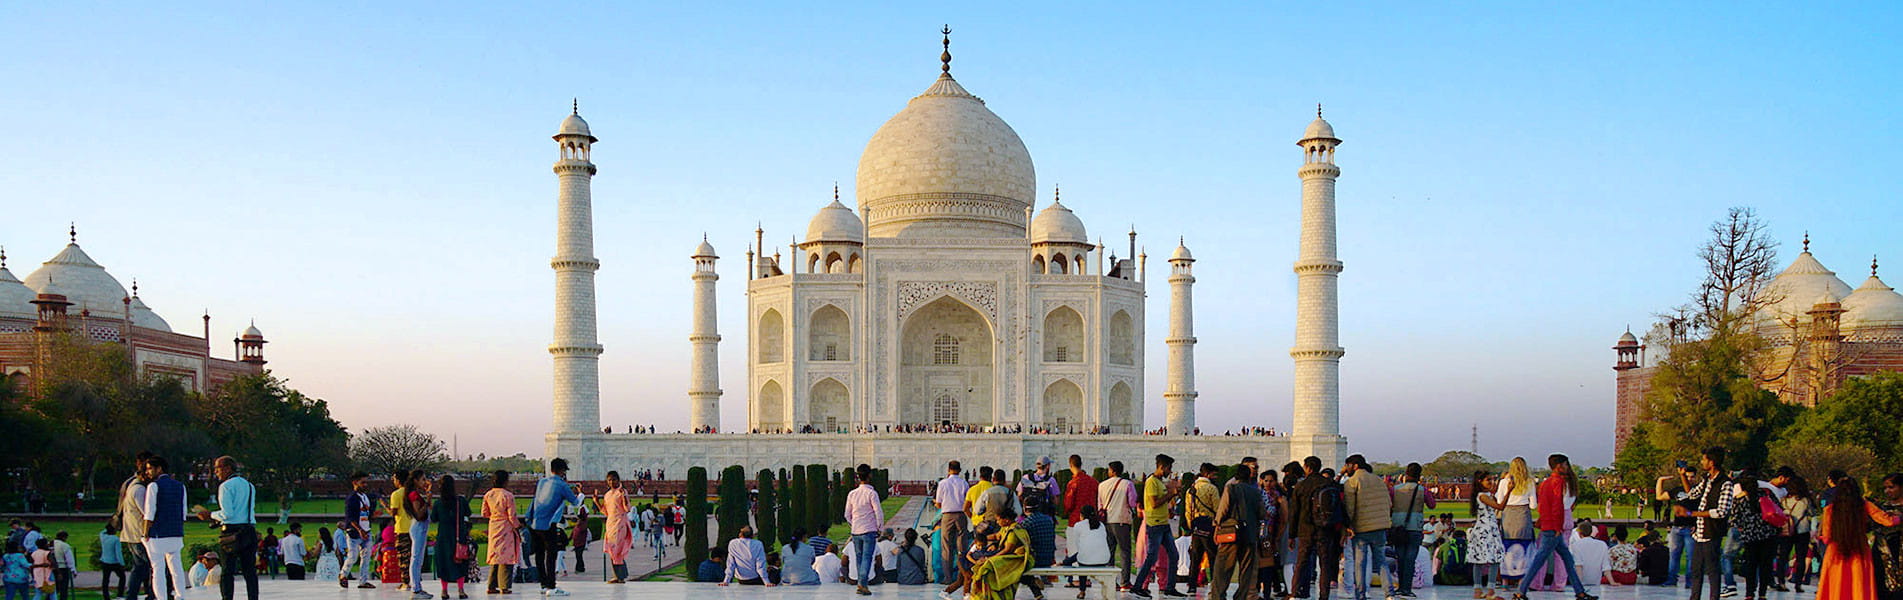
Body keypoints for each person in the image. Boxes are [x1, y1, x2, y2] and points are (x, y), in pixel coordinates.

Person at [1511, 453, 1595, 600]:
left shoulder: (1545, 483)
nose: (1567, 468)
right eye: (1565, 465)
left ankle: (1579, 592)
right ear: (1559, 466)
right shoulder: (1559, 482)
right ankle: (1521, 591)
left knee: (1565, 559)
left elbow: (1542, 506)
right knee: (1542, 560)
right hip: (1554, 527)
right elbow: (1557, 506)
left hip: (1548, 525)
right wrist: (1557, 527)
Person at [1816, 476, 1900, 600]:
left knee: (1836, 582)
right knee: (1858, 582)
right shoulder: (1864, 505)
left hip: (1836, 551)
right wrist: (1899, 517)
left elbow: (1827, 536)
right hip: (1858, 548)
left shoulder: (1830, 509)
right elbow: (1888, 521)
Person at [1677, 447, 1735, 600]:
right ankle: (1694, 596)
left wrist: (1691, 514)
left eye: (1704, 459)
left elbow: (1721, 511)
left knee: (1712, 570)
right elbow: (1692, 494)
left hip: (1712, 532)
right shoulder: (1706, 480)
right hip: (1700, 533)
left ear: (1712, 462)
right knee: (1696, 569)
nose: (1702, 462)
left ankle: (1713, 597)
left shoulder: (1726, 483)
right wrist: (1683, 476)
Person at [1290, 456, 1344, 600]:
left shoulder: (1301, 486)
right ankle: (1324, 595)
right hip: (1325, 529)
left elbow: (1294, 512)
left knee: (1301, 563)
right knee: (1325, 564)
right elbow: (1340, 507)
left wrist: (1291, 535)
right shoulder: (1329, 484)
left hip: (1305, 529)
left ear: (1307, 467)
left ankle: (1294, 593)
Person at [1131, 454, 1184, 598]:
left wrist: (1173, 494)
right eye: (1169, 468)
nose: (1170, 471)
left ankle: (1169, 587)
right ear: (1162, 467)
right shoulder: (1151, 482)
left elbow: (1164, 500)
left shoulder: (1160, 482)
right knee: (1151, 558)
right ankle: (1137, 586)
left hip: (1163, 524)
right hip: (1154, 525)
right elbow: (1154, 503)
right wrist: (1171, 493)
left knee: (1173, 555)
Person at [1209, 463, 1264, 600]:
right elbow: (1262, 513)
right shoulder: (1256, 492)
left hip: (1231, 533)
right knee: (1246, 571)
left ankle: (1218, 595)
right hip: (1250, 535)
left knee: (1223, 569)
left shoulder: (1231, 488)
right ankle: (1241, 596)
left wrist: (1216, 526)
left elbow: (1223, 510)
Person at [1342, 454, 1393, 600]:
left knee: (1360, 564)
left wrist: (1349, 525)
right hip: (1380, 527)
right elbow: (1388, 503)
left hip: (1362, 528)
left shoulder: (1352, 482)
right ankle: (1389, 593)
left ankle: (1361, 594)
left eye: (1348, 466)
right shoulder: (1378, 480)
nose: (1346, 469)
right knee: (1381, 561)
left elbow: (1350, 508)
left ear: (1355, 466)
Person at [530, 459, 580, 596]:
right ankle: (551, 587)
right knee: (551, 555)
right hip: (548, 525)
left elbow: (535, 501)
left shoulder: (541, 482)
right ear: (562, 471)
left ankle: (543, 584)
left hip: (535, 524)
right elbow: (575, 502)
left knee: (539, 555)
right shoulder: (562, 485)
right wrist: (580, 494)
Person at [1728, 468, 1780, 600]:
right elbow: (1778, 509)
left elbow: (1735, 519)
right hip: (1768, 534)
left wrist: (1741, 528)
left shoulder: (1739, 499)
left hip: (1750, 536)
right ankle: (1762, 593)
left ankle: (1749, 593)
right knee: (1765, 565)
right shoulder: (1766, 494)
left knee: (1751, 565)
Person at [141, 456, 189, 600]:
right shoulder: (180, 486)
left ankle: (161, 598)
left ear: (159, 468)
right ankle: (180, 596)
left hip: (158, 534)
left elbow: (149, 514)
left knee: (158, 570)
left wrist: (145, 533)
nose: (148, 472)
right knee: (176, 568)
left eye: (150, 468)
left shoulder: (153, 486)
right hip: (175, 532)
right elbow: (183, 513)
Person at [1390, 462, 1438, 599]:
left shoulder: (1395, 489)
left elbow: (1389, 504)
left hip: (1398, 526)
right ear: (1419, 476)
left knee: (1400, 557)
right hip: (1415, 526)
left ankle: (1400, 587)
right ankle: (1406, 588)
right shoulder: (1423, 490)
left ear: (1406, 474)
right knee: (1410, 558)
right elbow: (1432, 505)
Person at [969, 506, 1030, 600]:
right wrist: (980, 539)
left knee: (987, 567)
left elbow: (1008, 550)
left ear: (1006, 520)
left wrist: (991, 559)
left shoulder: (1013, 530)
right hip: (1007, 556)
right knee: (982, 564)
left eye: (998, 520)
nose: (997, 522)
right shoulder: (1006, 528)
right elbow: (997, 536)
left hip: (1016, 558)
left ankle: (992, 596)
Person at [114, 453, 153, 600]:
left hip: (130, 533)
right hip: (139, 534)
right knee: (152, 566)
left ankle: (132, 595)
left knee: (139, 567)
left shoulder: (130, 484)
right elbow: (147, 513)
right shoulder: (139, 488)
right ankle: (152, 593)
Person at [844, 464, 886, 596]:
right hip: (869, 530)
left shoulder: (852, 494)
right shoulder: (871, 493)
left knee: (859, 558)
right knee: (867, 558)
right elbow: (878, 512)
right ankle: (863, 584)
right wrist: (880, 528)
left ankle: (860, 584)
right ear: (869, 476)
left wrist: (854, 524)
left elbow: (847, 514)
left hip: (856, 531)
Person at [1657, 461, 1700, 588]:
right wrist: (1660, 481)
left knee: (1691, 557)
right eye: (1687, 476)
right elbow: (1660, 496)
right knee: (1674, 555)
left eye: (1692, 477)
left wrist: (1697, 525)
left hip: (1690, 529)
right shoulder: (1678, 490)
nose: (1689, 479)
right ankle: (1671, 579)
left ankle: (1690, 582)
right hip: (1677, 527)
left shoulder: (1698, 491)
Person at [1098, 460, 1138, 591]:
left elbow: (1100, 505)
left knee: (1110, 551)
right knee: (1125, 552)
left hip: (1107, 521)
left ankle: (1110, 581)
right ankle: (1124, 582)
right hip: (1122, 520)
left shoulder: (1102, 485)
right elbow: (1132, 503)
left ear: (1113, 471)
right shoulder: (1128, 484)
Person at [1183, 463, 1222, 594]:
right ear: (1207, 474)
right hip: (1209, 525)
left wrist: (1191, 525)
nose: (1215, 477)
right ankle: (1216, 585)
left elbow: (1188, 511)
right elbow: (1217, 509)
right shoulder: (1211, 488)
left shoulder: (1191, 489)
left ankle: (1192, 586)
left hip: (1196, 526)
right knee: (1213, 557)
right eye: (1213, 474)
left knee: (1195, 557)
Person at [1469, 471, 1507, 599]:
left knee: (1486, 559)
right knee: (1487, 559)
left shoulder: (1486, 495)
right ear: (1480, 482)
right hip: (1485, 530)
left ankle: (1480, 589)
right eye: (1488, 480)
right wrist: (1509, 491)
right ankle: (1486, 590)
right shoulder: (1482, 496)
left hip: (1489, 529)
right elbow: (1500, 507)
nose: (1491, 483)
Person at [479, 470, 519, 594]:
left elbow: (484, 513)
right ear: (506, 481)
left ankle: (491, 585)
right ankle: (504, 586)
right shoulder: (508, 496)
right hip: (505, 526)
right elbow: (511, 516)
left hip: (494, 526)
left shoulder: (488, 495)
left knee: (495, 556)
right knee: (506, 557)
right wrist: (518, 526)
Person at [430, 475, 467, 600]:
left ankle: (444, 591)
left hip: (443, 537)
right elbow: (468, 513)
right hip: (458, 536)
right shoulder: (460, 501)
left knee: (443, 563)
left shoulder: (438, 503)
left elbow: (434, 519)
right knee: (459, 561)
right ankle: (461, 590)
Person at [339, 472, 379, 589]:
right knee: (353, 556)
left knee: (366, 558)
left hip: (366, 530)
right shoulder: (352, 498)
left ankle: (363, 581)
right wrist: (360, 530)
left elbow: (366, 514)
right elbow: (350, 517)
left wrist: (373, 515)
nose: (365, 485)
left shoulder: (365, 497)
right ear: (355, 483)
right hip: (355, 532)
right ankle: (343, 574)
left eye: (366, 482)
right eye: (363, 482)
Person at [1254, 469, 1289, 600]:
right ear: (1261, 481)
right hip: (1257, 533)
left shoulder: (1279, 497)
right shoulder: (1257, 494)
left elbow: (1284, 518)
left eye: (1271, 480)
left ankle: (1267, 592)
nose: (1268, 483)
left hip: (1271, 535)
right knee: (1256, 564)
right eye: (1266, 480)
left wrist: (1278, 536)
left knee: (1268, 564)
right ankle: (1256, 591)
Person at [935, 461, 970, 586]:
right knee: (962, 547)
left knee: (947, 547)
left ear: (948, 470)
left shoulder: (943, 483)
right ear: (959, 470)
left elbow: (939, 503)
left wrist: (939, 504)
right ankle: (963, 576)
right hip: (961, 515)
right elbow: (967, 502)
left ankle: (948, 578)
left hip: (947, 516)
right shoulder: (964, 483)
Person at [593, 471, 631, 583]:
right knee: (612, 550)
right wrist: (596, 501)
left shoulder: (622, 492)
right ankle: (617, 576)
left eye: (614, 479)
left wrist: (624, 498)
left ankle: (621, 576)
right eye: (609, 480)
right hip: (611, 524)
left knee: (618, 550)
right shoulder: (607, 495)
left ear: (618, 480)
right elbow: (606, 512)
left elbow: (627, 509)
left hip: (620, 523)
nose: (611, 482)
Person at [403, 471, 435, 599]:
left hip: (421, 528)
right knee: (416, 559)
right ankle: (415, 589)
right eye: (423, 479)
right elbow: (419, 514)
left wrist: (428, 495)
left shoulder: (417, 494)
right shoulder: (414, 495)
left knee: (419, 558)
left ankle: (418, 587)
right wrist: (427, 501)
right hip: (418, 527)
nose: (424, 481)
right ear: (415, 480)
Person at [1020, 495, 1058, 600]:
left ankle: (1033, 585)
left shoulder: (1026, 523)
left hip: (1036, 560)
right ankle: (1037, 591)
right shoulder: (1048, 520)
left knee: (1015, 568)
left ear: (1025, 508)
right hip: (1049, 558)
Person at [1874, 474, 1903, 600]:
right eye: (1885, 488)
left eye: (1891, 487)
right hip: (1882, 553)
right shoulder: (1880, 508)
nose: (1887, 491)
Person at [1566, 520, 1609, 594]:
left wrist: (1578, 584)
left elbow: (1578, 565)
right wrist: (1612, 582)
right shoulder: (1602, 544)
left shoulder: (1576, 545)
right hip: (1596, 581)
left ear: (1579, 533)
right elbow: (1606, 566)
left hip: (1582, 581)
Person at [100, 524, 127, 599]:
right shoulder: (116, 539)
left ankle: (106, 596)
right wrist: (122, 563)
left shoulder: (103, 537)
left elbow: (102, 531)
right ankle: (120, 594)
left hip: (105, 561)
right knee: (122, 577)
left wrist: (109, 526)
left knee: (105, 579)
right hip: (114, 562)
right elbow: (118, 552)